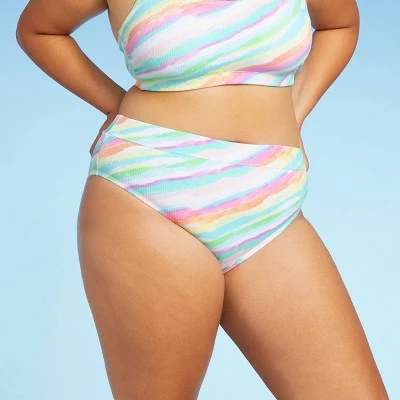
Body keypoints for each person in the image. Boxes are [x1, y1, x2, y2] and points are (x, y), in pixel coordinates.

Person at [16, 0, 389, 398]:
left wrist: (292, 117)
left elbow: (339, 25)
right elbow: (39, 29)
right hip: (152, 193)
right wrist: (114, 105)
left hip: (268, 201)